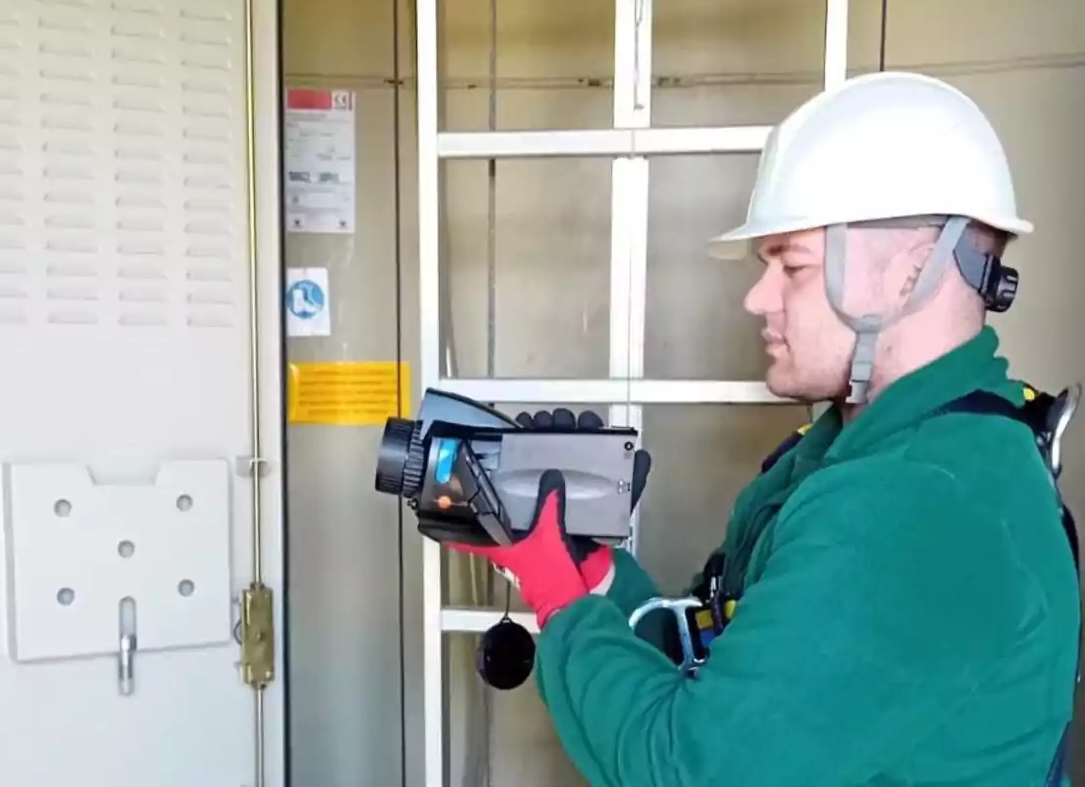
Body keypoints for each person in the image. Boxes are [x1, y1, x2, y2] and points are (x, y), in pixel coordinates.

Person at [446, 71, 1081, 786]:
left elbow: (687, 770)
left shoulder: (918, 500)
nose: (757, 297)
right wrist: (592, 575)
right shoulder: (864, 451)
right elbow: (719, 664)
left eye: (792, 265)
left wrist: (558, 600)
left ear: (909, 274)